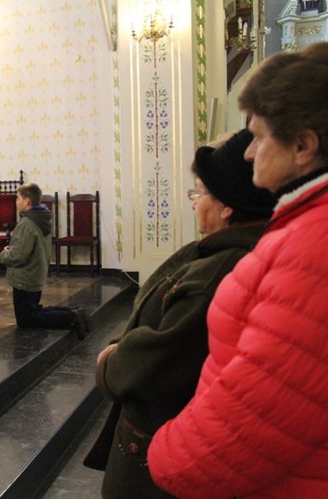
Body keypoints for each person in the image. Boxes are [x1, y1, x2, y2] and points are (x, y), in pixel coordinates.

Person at [148, 42, 328, 497]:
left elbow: (256, 419)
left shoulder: (315, 245)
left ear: (304, 145)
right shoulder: (302, 225)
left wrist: (163, 452)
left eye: (261, 137)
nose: (248, 154)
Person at [84, 129, 274, 498]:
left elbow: (161, 360)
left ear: (228, 205)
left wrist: (112, 360)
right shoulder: (219, 254)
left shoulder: (220, 270)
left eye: (200, 192)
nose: (193, 202)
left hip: (157, 447)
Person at [0, 182, 89, 337]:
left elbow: (19, 255)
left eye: (18, 198)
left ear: (27, 201)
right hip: (36, 273)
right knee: (34, 310)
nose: (16, 202)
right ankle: (74, 311)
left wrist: (5, 253)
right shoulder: (42, 218)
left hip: (25, 278)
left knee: (27, 320)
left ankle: (71, 316)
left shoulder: (27, 224)